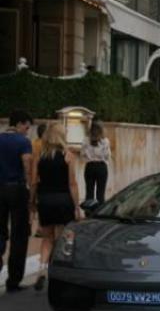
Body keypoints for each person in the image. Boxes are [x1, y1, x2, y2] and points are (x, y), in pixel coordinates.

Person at [30, 123, 81, 291]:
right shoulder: (68, 156)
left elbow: (34, 181)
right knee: (64, 237)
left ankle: (42, 270)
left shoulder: (40, 156)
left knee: (47, 239)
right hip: (63, 200)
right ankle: (61, 272)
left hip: (45, 200)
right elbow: (72, 184)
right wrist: (77, 206)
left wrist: (32, 202)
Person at [0, 110, 33, 292]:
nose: (27, 131)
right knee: (19, 235)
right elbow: (27, 165)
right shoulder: (23, 142)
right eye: (26, 127)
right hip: (17, 188)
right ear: (19, 124)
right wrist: (30, 189)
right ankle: (13, 281)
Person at [82, 122, 111, 204]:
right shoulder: (105, 141)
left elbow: (82, 154)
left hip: (90, 166)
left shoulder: (86, 140)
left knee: (89, 191)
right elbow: (107, 155)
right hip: (101, 166)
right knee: (100, 193)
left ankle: (88, 211)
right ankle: (99, 211)